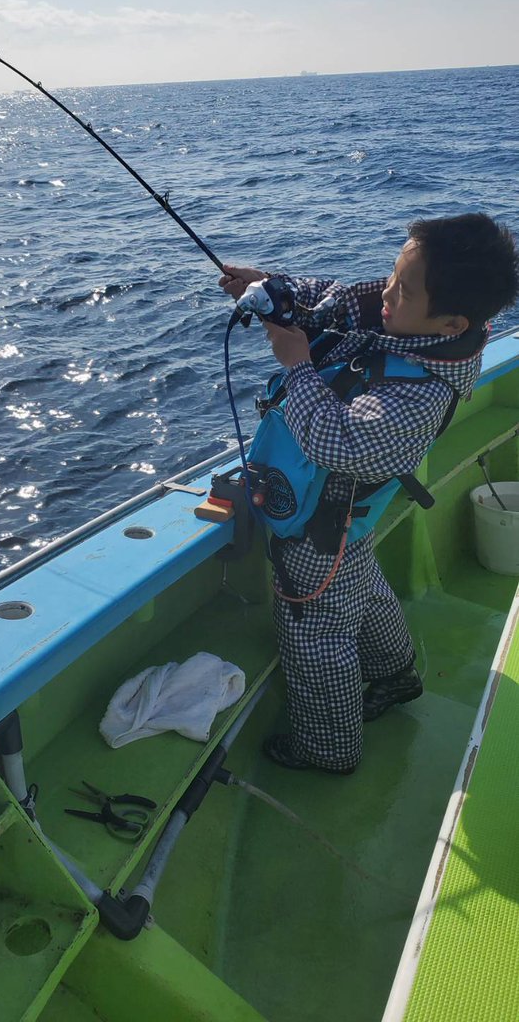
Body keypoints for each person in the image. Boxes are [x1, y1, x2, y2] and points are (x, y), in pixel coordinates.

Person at [219, 213, 519, 774]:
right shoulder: (412, 321)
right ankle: (395, 673)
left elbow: (342, 444)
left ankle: (329, 748)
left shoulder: (422, 393)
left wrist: (298, 366)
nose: (385, 291)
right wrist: (271, 287)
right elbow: (336, 298)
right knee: (359, 583)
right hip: (342, 527)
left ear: (452, 320)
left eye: (404, 288)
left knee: (316, 631)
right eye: (393, 273)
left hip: (319, 526)